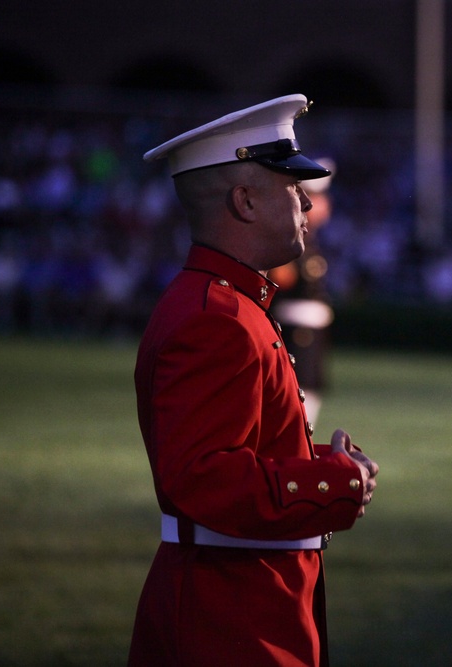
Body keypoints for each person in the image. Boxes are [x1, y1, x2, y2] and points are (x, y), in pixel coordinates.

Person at [128, 95, 378, 667]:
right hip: (229, 615)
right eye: (290, 185)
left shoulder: (232, 304)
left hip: (240, 599)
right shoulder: (216, 319)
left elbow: (245, 446)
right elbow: (205, 478)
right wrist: (331, 485)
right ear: (243, 201)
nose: (306, 201)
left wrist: (322, 465)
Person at [269, 159, 336, 425]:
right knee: (300, 390)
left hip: (311, 322)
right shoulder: (291, 239)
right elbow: (281, 279)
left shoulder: (311, 240)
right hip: (296, 323)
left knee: (311, 389)